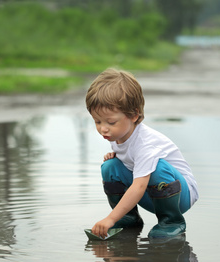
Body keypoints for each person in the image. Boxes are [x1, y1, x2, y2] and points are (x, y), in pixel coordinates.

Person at [85, 68, 199, 239]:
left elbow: (138, 187)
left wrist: (109, 219)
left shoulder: (146, 145)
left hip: (180, 196)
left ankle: (172, 222)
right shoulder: (117, 134)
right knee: (110, 166)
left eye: (110, 122)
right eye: (97, 121)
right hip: (153, 193)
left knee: (157, 167)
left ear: (134, 115)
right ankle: (128, 218)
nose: (103, 128)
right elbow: (128, 160)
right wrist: (117, 159)